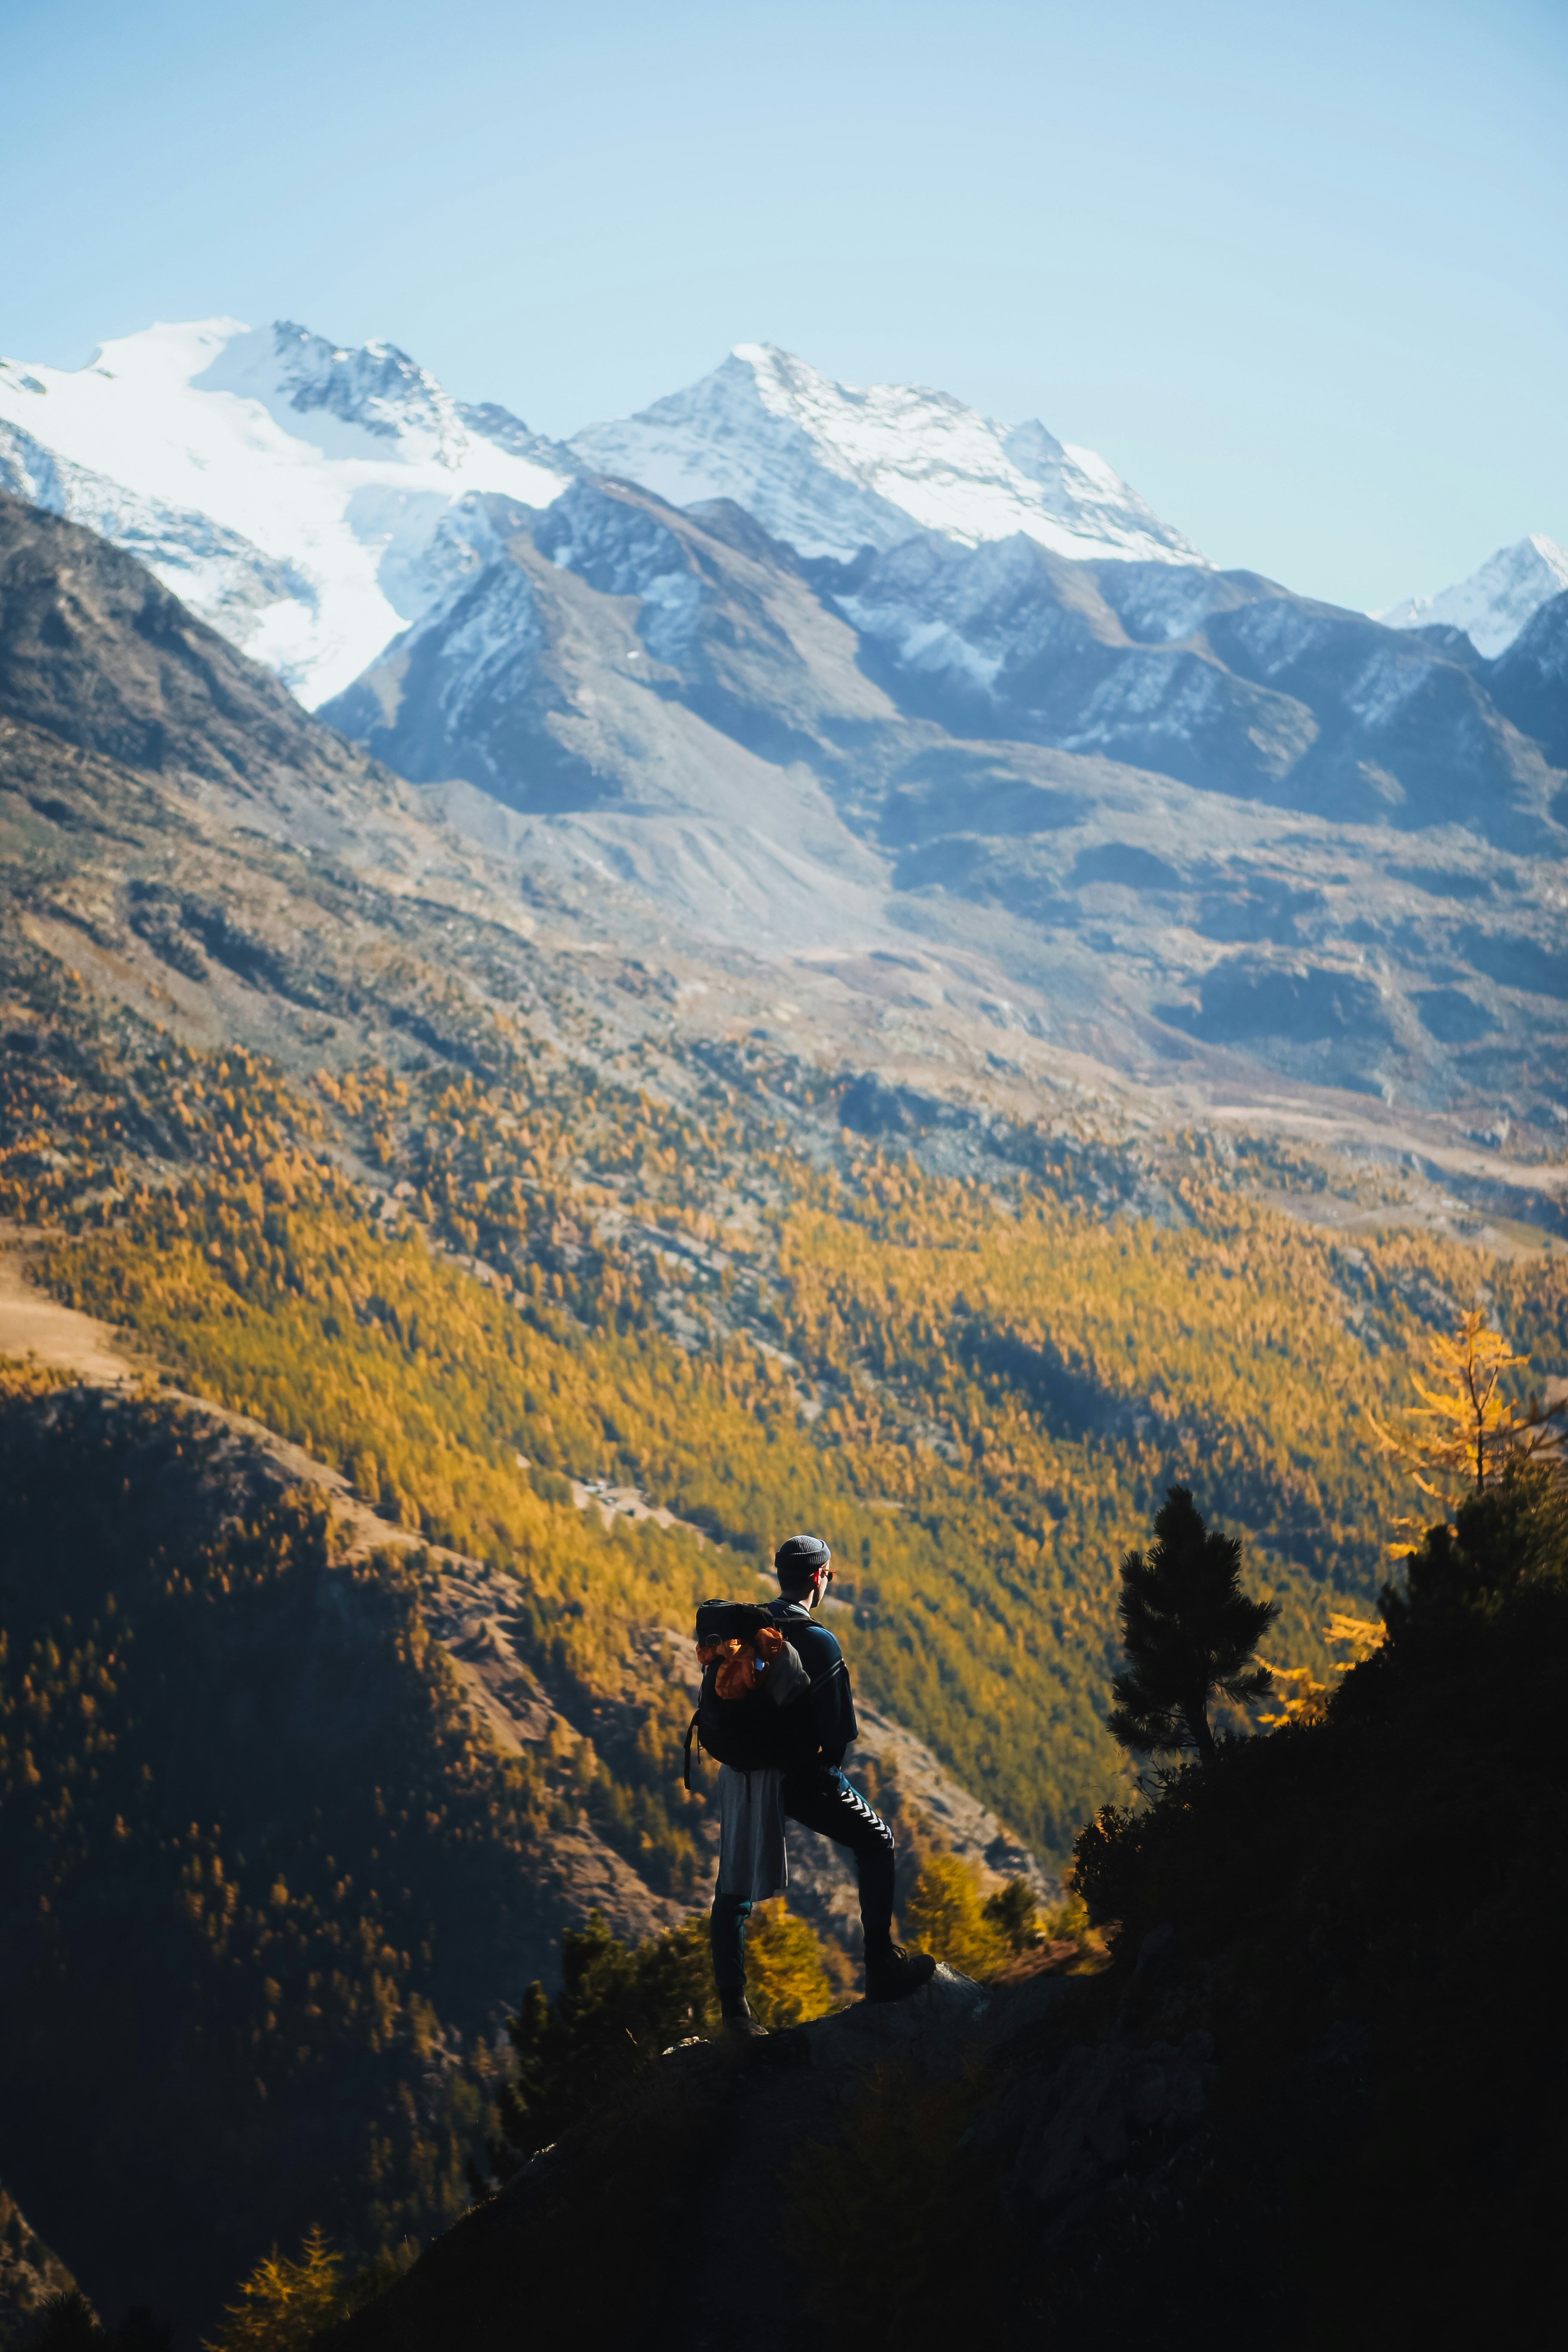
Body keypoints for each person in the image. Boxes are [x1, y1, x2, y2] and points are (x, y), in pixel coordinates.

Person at [710, 1531, 935, 2035]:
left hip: (743, 1775)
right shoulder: (818, 1642)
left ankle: (735, 2016)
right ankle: (882, 1972)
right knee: (876, 1840)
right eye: (828, 1575)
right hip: (799, 1777)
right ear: (818, 1578)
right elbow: (838, 1736)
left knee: (734, 1888)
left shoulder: (748, 1631)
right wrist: (820, 1778)